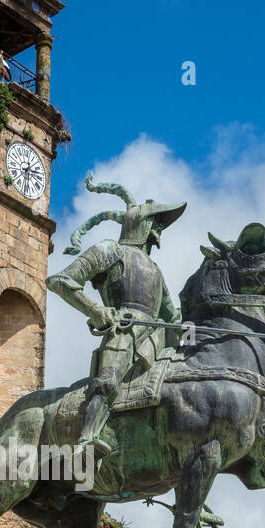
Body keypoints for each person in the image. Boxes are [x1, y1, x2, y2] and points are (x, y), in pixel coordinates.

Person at [47, 175, 187, 457]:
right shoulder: (110, 250)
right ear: (144, 225)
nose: (159, 232)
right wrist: (97, 311)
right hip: (123, 331)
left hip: (154, 340)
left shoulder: (156, 272)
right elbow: (61, 281)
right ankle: (88, 436)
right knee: (109, 381)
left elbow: (173, 319)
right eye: (157, 224)